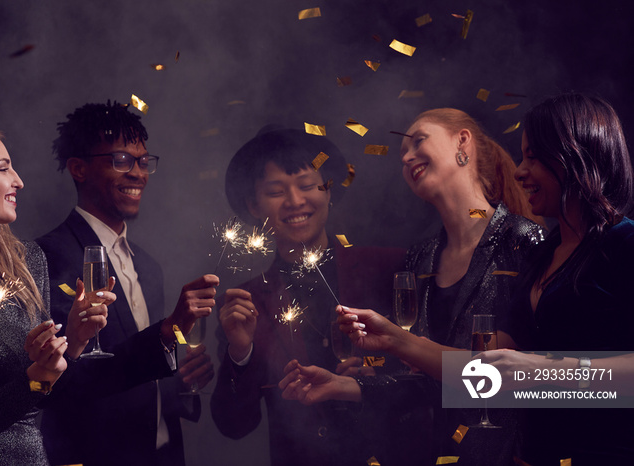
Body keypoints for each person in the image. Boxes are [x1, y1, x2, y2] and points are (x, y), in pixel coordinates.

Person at [280, 108, 545, 465]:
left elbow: (521, 380)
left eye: (418, 141)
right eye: (402, 153)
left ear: (462, 142)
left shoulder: (525, 242)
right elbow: (429, 382)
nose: (405, 157)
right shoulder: (420, 259)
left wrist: (396, 340)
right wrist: (343, 385)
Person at [210, 126, 411, 466]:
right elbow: (233, 425)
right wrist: (239, 352)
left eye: (307, 185)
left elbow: (436, 376)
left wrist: (379, 378)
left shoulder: (389, 268)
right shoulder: (246, 301)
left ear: (329, 190)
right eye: (276, 191)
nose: (295, 201)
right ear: (254, 206)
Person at [36, 101, 218, 466]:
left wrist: (179, 380)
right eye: (121, 160)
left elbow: (142, 367)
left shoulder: (148, 266)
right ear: (79, 168)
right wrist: (166, 334)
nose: (138, 173)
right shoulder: (45, 256)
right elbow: (65, 381)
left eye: (143, 161)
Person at [0, 118, 111, 465]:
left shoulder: (27, 262)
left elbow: (43, 397)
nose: (19, 181)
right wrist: (40, 373)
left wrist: (72, 343)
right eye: (4, 169)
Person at [479, 93, 634, 464]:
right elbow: (480, 376)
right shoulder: (542, 255)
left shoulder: (625, 242)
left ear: (576, 156)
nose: (518, 171)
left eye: (532, 156)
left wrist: (542, 370)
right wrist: (393, 342)